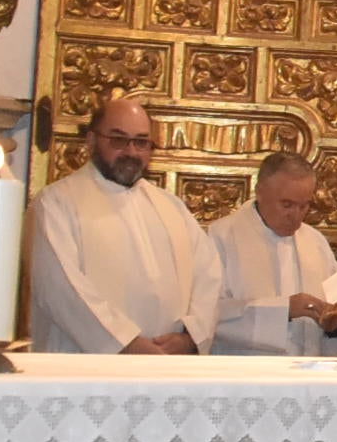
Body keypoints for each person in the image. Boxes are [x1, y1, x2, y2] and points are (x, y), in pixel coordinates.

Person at [29, 95, 222, 354]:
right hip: (87, 368)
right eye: (118, 140)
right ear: (91, 140)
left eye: (141, 142)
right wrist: (126, 344)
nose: (131, 152)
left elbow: (208, 276)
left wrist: (190, 337)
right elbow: (60, 290)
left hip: (167, 366)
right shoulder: (56, 204)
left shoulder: (171, 207)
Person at [207, 151, 337, 357]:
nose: (296, 216)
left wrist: (336, 321)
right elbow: (210, 314)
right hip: (246, 375)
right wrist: (286, 309)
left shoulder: (315, 242)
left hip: (308, 376)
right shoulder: (222, 237)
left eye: (304, 205)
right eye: (287, 204)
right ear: (260, 191)